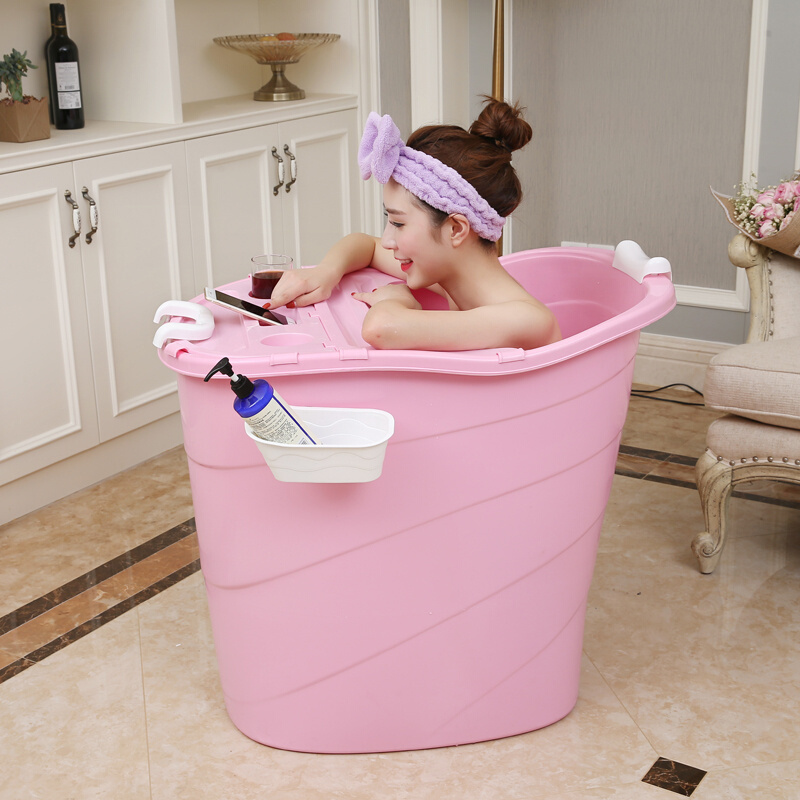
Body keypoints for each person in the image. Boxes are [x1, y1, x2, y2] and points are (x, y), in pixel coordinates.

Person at [267, 98, 562, 351]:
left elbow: (380, 328)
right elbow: (366, 245)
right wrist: (326, 272)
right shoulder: (449, 278)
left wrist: (398, 300)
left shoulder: (527, 319)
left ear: (456, 229)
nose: (387, 240)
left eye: (398, 223)